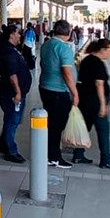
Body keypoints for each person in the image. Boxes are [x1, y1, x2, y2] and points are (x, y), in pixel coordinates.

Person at [74, 40, 110, 168]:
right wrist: (102, 105)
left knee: (84, 128)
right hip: (95, 102)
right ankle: (106, 159)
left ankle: (78, 155)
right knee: (103, 130)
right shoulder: (98, 64)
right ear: (102, 50)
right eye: (109, 50)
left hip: (85, 100)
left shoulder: (87, 59)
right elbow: (99, 84)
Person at [38, 20, 78, 169]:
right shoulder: (64, 48)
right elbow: (67, 73)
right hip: (58, 91)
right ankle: (54, 157)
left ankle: (50, 152)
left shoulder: (46, 45)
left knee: (50, 123)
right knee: (57, 125)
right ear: (68, 32)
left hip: (45, 87)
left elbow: (42, 64)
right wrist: (75, 93)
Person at [0, 25, 29, 163]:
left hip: (14, 92)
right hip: (12, 93)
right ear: (12, 35)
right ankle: (10, 150)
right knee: (12, 121)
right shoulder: (9, 52)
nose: (20, 36)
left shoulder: (13, 50)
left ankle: (4, 144)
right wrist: (18, 92)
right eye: (18, 33)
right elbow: (12, 75)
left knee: (12, 120)